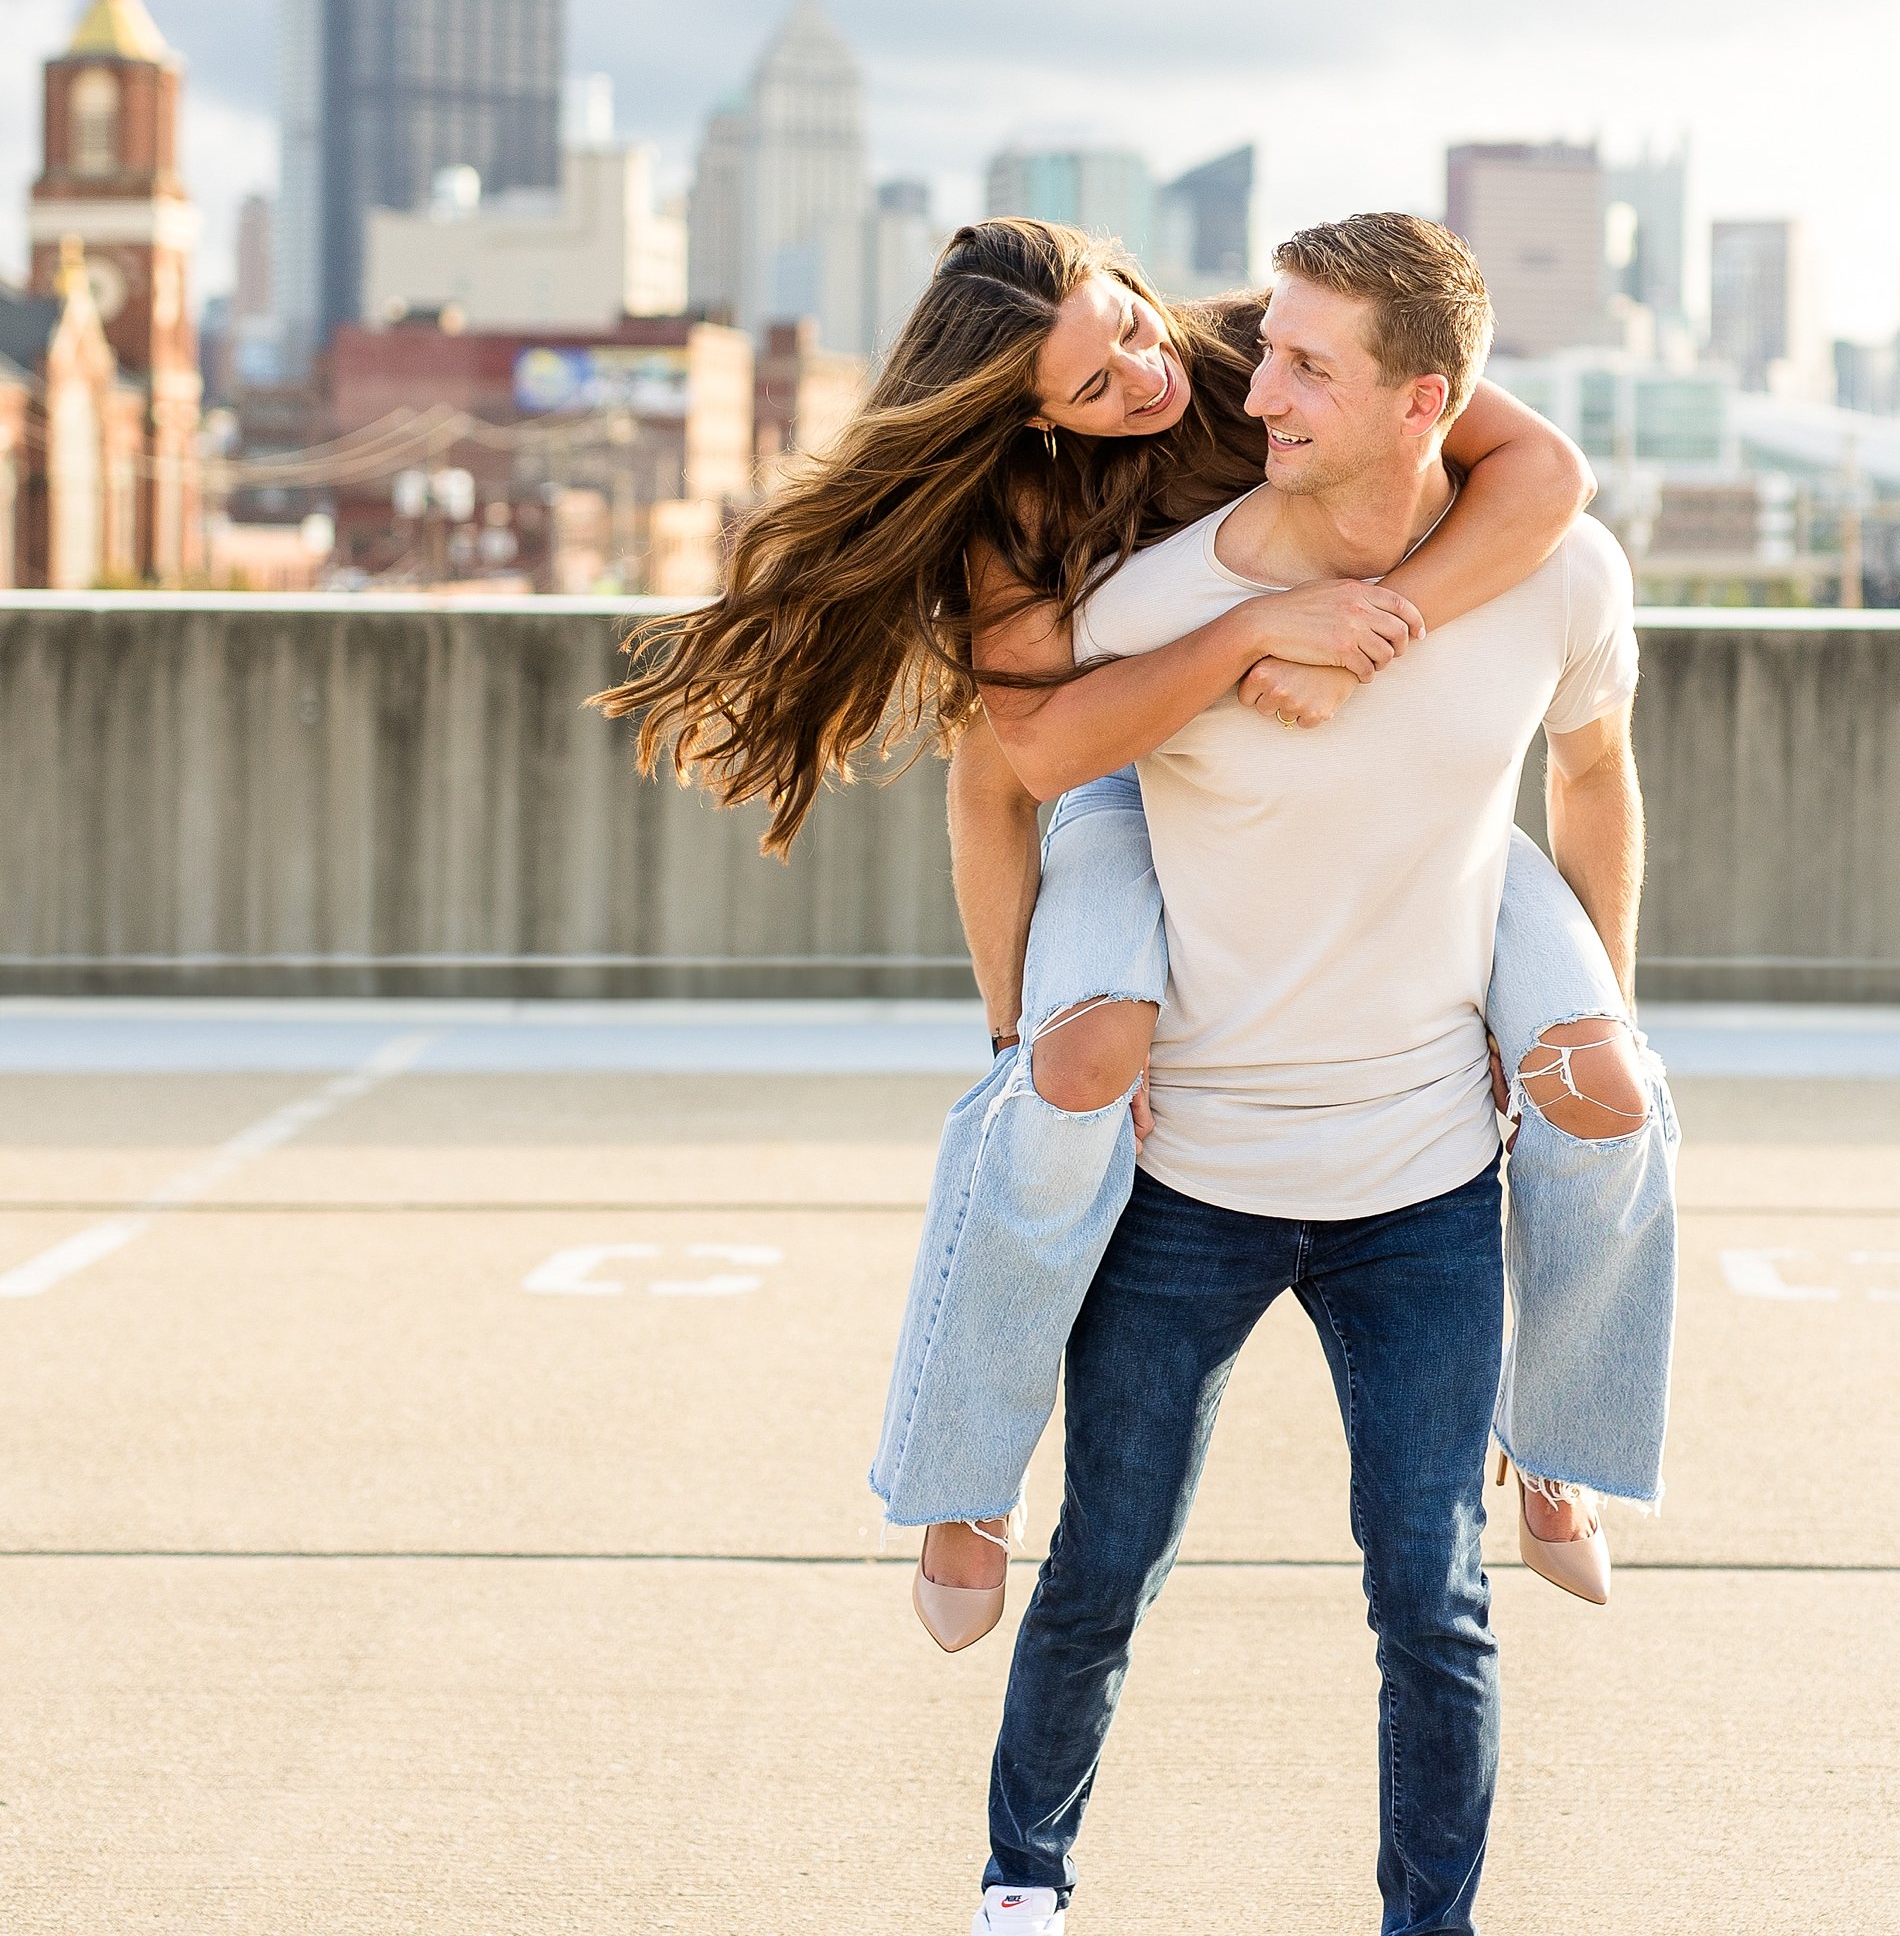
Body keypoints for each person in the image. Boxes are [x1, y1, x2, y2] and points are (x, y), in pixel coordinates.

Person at [607, 222, 1680, 1657]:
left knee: (1610, 1081)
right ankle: (962, 1479)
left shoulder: (1263, 346)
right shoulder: (1020, 513)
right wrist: (1018, 1023)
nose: (1140, 375)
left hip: (1398, 777)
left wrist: (1384, 621)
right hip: (1137, 776)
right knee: (1074, 1071)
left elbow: (1548, 474)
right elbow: (1021, 763)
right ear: (1032, 418)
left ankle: (1553, 1437)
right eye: (1089, 385)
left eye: (1122, 322)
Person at [941, 213, 1656, 1936]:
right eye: (1263, 358)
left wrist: (1583, 972)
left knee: (1425, 1607)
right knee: (1101, 1574)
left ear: (1420, 400)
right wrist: (1016, 1027)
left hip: (1422, 1178)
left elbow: (1590, 770)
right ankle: (1016, 1913)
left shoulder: (1549, 572)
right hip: (1189, 1174)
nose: (1251, 391)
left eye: (1306, 369)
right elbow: (1011, 769)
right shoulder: (1147, 605)